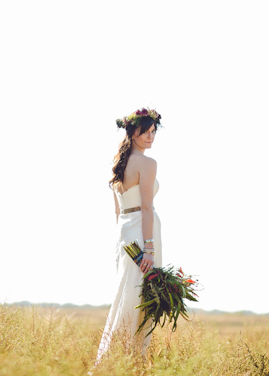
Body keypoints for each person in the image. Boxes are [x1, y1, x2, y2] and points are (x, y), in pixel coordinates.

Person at [95, 108, 163, 363]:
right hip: (142, 232)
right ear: (132, 132)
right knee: (138, 299)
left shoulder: (119, 163)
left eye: (153, 131)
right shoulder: (147, 164)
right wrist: (149, 248)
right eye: (145, 131)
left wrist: (126, 242)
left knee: (128, 295)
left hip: (125, 234)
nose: (150, 136)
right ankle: (129, 360)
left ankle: (122, 359)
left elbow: (117, 212)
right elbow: (146, 207)